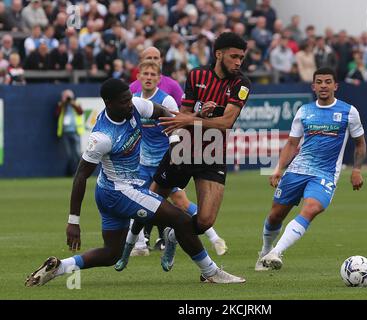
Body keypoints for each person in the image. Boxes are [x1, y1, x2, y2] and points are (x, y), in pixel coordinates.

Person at [24, 79, 245, 287]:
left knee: (112, 253)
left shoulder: (135, 106)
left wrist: (174, 136)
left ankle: (60, 267)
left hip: (112, 190)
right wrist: (73, 221)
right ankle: (211, 272)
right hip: (120, 192)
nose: (130, 104)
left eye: (130, 98)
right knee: (180, 219)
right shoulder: (101, 137)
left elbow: (161, 112)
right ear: (108, 103)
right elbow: (81, 175)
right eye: (124, 101)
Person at [152, 32, 251, 272]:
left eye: (242, 58)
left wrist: (194, 119)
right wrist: (196, 117)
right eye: (234, 57)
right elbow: (184, 116)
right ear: (219, 54)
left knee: (206, 220)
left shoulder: (241, 84)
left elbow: (226, 122)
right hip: (185, 148)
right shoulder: (196, 75)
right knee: (150, 201)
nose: (239, 62)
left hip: (213, 151)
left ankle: (175, 235)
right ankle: (129, 245)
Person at [255, 67, 366, 271]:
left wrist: (357, 170)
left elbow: (360, 143)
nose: (324, 86)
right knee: (275, 216)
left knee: (312, 208)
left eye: (328, 81)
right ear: (313, 86)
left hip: (325, 174)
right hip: (297, 170)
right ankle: (265, 250)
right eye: (320, 82)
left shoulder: (349, 112)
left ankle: (276, 252)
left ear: (335, 85)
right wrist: (278, 168)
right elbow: (291, 143)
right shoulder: (304, 111)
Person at [116, 61, 227, 264]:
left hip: (165, 159)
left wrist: (176, 154)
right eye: (145, 74)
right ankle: (132, 249)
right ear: (138, 77)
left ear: (159, 79)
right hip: (142, 164)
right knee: (139, 207)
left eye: (153, 74)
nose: (148, 77)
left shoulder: (166, 101)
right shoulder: (133, 102)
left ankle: (214, 237)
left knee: (181, 202)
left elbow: (179, 127)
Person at [129, 46, 185, 249]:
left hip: (165, 155)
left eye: (156, 58)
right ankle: (140, 244)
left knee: (175, 201)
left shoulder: (171, 88)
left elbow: (181, 116)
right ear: (140, 68)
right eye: (148, 59)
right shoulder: (132, 91)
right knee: (142, 199)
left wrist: (176, 148)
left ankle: (203, 234)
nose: (150, 76)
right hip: (143, 158)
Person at [55, 89, 84, 176]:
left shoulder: (76, 104)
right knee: (69, 155)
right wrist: (63, 103)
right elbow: (56, 114)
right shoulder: (61, 105)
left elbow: (80, 112)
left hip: (75, 131)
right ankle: (72, 172)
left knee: (77, 153)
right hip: (65, 132)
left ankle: (81, 172)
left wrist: (72, 103)